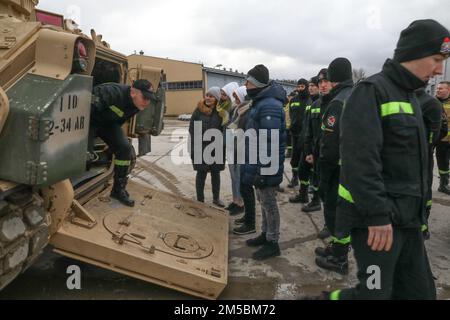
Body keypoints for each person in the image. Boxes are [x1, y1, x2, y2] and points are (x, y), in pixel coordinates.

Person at [328, 19, 448, 300]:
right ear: (413, 54)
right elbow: (359, 161)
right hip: (378, 227)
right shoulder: (371, 91)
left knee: (420, 294)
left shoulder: (411, 97)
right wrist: (377, 216)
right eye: (436, 58)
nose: (440, 68)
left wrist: (420, 216)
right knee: (373, 294)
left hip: (409, 224)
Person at [235, 64, 286, 261]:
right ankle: (265, 234)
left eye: (248, 81)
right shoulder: (261, 102)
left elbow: (270, 141)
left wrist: (265, 170)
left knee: (270, 203)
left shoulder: (270, 105)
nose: (245, 85)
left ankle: (273, 242)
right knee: (263, 202)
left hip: (266, 165)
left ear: (256, 83)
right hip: (259, 162)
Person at [313, 58, 354, 275]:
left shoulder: (337, 103)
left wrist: (322, 173)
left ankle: (339, 258)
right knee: (342, 212)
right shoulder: (354, 96)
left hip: (336, 169)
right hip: (350, 167)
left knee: (335, 212)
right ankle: (337, 249)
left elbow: (329, 145)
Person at [90, 79, 156, 207]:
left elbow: (120, 119)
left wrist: (112, 142)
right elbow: (85, 110)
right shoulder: (110, 92)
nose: (147, 102)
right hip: (88, 121)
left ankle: (118, 190)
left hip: (107, 124)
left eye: (149, 99)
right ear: (133, 92)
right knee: (85, 154)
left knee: (125, 149)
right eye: (145, 98)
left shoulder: (137, 105)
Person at [304, 69, 333, 237]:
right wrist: (309, 152)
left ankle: (333, 228)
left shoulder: (338, 104)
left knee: (333, 196)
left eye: (325, 82)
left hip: (334, 159)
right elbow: (309, 131)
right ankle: (328, 224)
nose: (322, 85)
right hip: (318, 156)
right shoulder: (315, 106)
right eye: (320, 82)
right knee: (323, 191)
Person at [189, 87, 226, 207]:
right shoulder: (198, 110)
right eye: (207, 95)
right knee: (201, 174)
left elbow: (224, 129)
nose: (208, 98)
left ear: (216, 98)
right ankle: (200, 199)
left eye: (211, 96)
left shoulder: (221, 111)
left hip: (217, 148)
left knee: (216, 174)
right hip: (201, 147)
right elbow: (192, 129)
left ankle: (216, 198)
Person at [416, 87, 443, 239]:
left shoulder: (430, 103)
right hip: (405, 156)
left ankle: (423, 225)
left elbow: (436, 132)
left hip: (423, 156)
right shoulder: (405, 98)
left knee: (424, 189)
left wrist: (426, 147)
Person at [225, 86, 249, 215]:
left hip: (241, 148)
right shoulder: (237, 110)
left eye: (237, 96)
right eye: (234, 96)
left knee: (239, 177)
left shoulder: (247, 110)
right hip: (233, 146)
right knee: (234, 177)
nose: (235, 99)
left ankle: (241, 203)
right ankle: (235, 201)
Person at [287, 79, 311, 189]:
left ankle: (307, 182)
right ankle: (294, 178)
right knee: (295, 158)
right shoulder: (293, 100)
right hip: (295, 134)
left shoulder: (311, 101)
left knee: (306, 159)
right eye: (299, 86)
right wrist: (290, 126)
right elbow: (290, 115)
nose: (300, 89)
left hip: (306, 135)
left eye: (302, 86)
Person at [435, 81, 450, 195]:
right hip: (439, 138)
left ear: (448, 90)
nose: (437, 90)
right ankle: (443, 185)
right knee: (442, 161)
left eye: (441, 88)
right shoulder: (432, 102)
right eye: (437, 88)